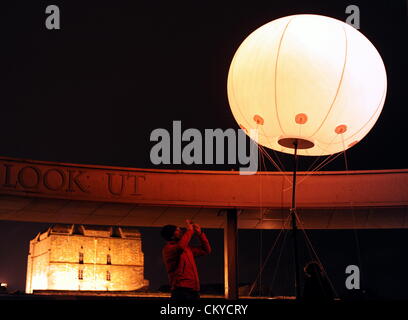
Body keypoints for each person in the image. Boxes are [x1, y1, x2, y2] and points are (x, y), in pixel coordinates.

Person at [161, 219, 211, 300]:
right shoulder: (168, 249)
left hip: (194, 289)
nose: (181, 231)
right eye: (177, 230)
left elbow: (206, 250)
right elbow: (180, 247)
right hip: (181, 290)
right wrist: (190, 230)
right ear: (171, 235)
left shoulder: (187, 249)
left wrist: (200, 234)